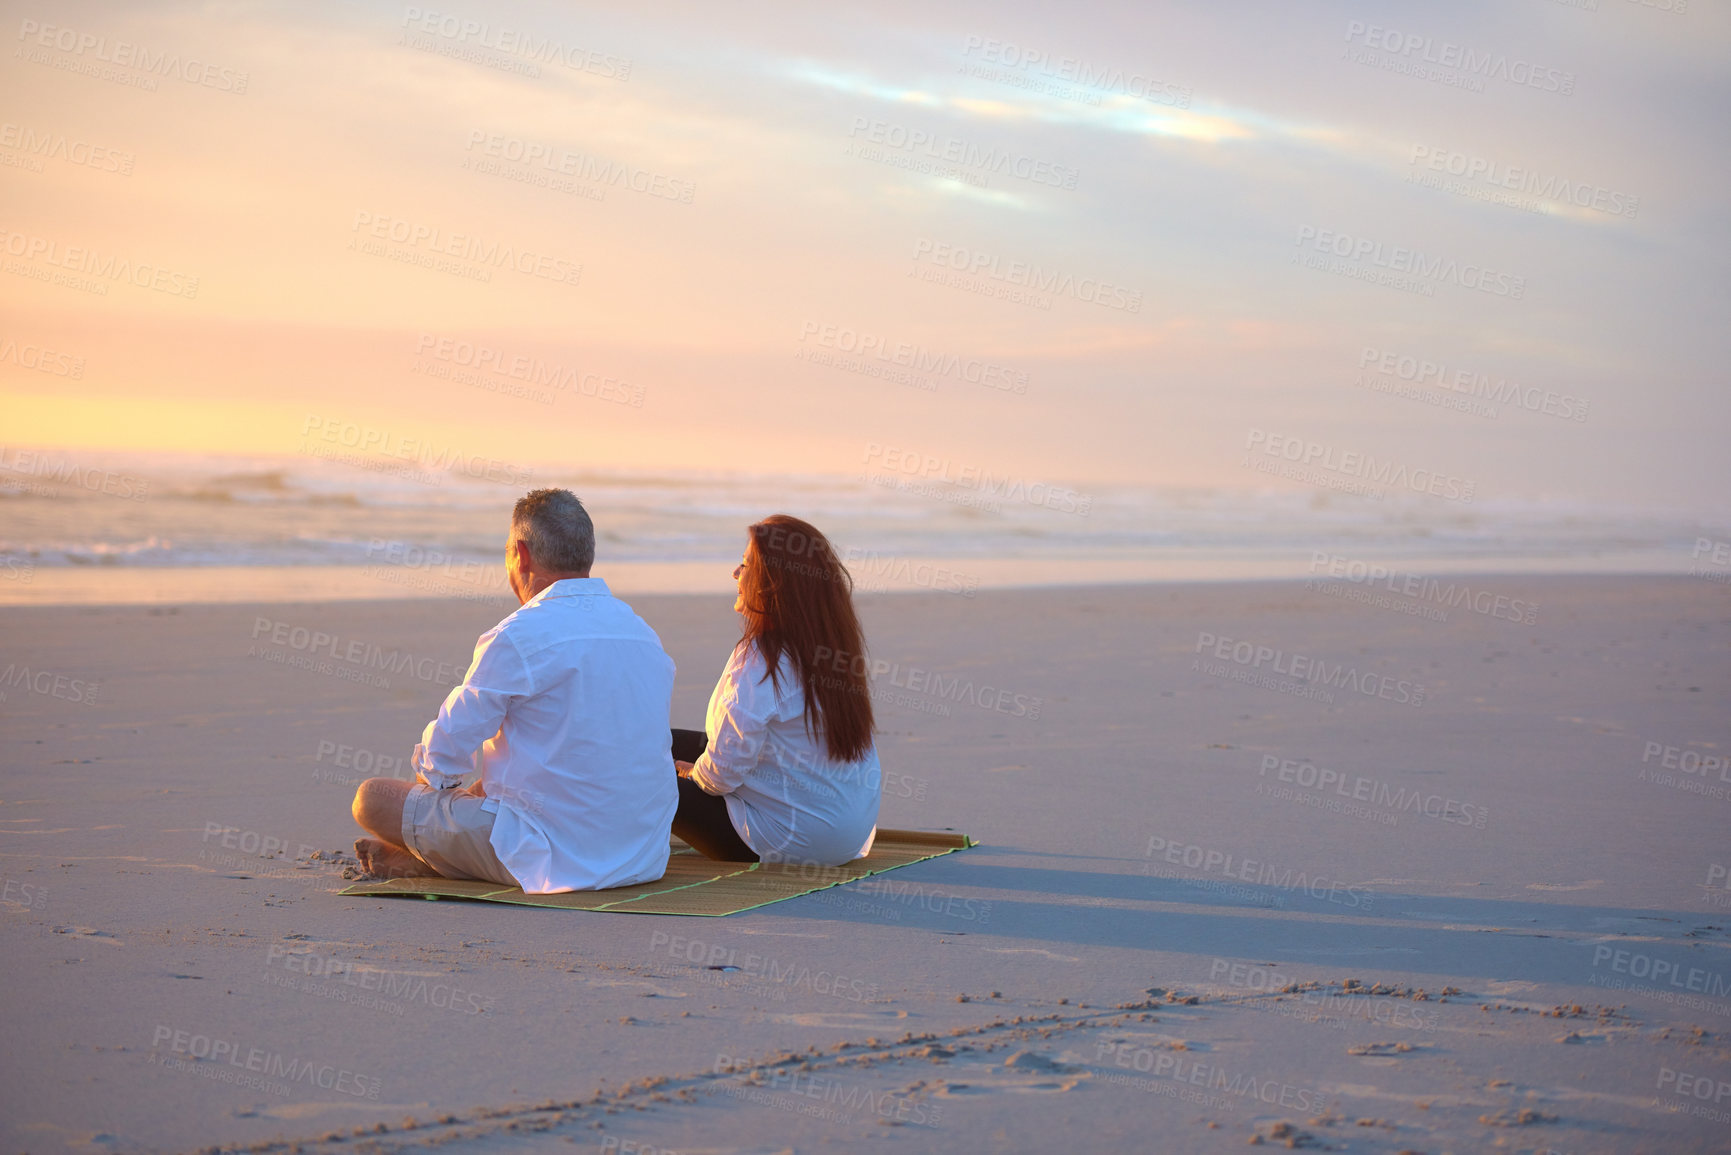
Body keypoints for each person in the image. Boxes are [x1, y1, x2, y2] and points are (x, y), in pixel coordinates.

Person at [350, 488, 677, 893]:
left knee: (373, 799)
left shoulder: (518, 635)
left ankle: (433, 858)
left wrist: (446, 798)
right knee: (498, 782)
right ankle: (438, 853)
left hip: (557, 857)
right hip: (642, 854)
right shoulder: (642, 633)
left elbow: (440, 761)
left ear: (519, 553)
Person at [671, 515, 881, 866]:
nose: (736, 575)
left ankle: (603, 849)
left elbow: (720, 776)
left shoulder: (761, 657)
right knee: (662, 741)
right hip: (848, 835)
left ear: (775, 583)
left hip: (790, 841)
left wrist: (693, 774)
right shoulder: (831, 648)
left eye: (746, 565)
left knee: (631, 768)